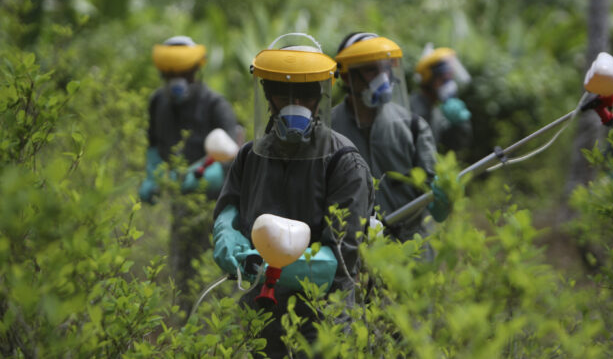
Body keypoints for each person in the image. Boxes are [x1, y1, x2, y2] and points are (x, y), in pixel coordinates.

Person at [211, 33, 374, 357]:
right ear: (267, 95)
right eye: (282, 92)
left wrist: (270, 266)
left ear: (319, 96)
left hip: (323, 320)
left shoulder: (344, 161)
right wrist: (226, 230)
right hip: (261, 315)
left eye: (305, 93)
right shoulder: (250, 156)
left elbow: (342, 256)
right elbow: (230, 205)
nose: (294, 102)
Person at [139, 35, 240, 311]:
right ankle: (186, 318)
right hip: (182, 205)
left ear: (196, 71)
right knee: (183, 265)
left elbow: (232, 155)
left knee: (222, 264)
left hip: (217, 204)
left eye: (184, 73)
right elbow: (153, 145)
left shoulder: (216, 105)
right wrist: (152, 176)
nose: (178, 80)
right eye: (171, 74)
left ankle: (223, 318)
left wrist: (203, 175)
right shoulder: (158, 102)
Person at [331, 32, 450, 248]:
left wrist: (443, 195)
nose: (382, 77)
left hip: (410, 251)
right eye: (371, 70)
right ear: (347, 77)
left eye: (385, 68)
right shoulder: (328, 130)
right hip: (351, 253)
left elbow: (431, 187)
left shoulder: (412, 126)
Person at [411, 45, 473, 155]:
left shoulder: (437, 110)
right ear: (428, 79)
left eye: (450, 78)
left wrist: (460, 123)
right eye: (444, 79)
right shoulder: (413, 108)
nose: (449, 84)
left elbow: (455, 146)